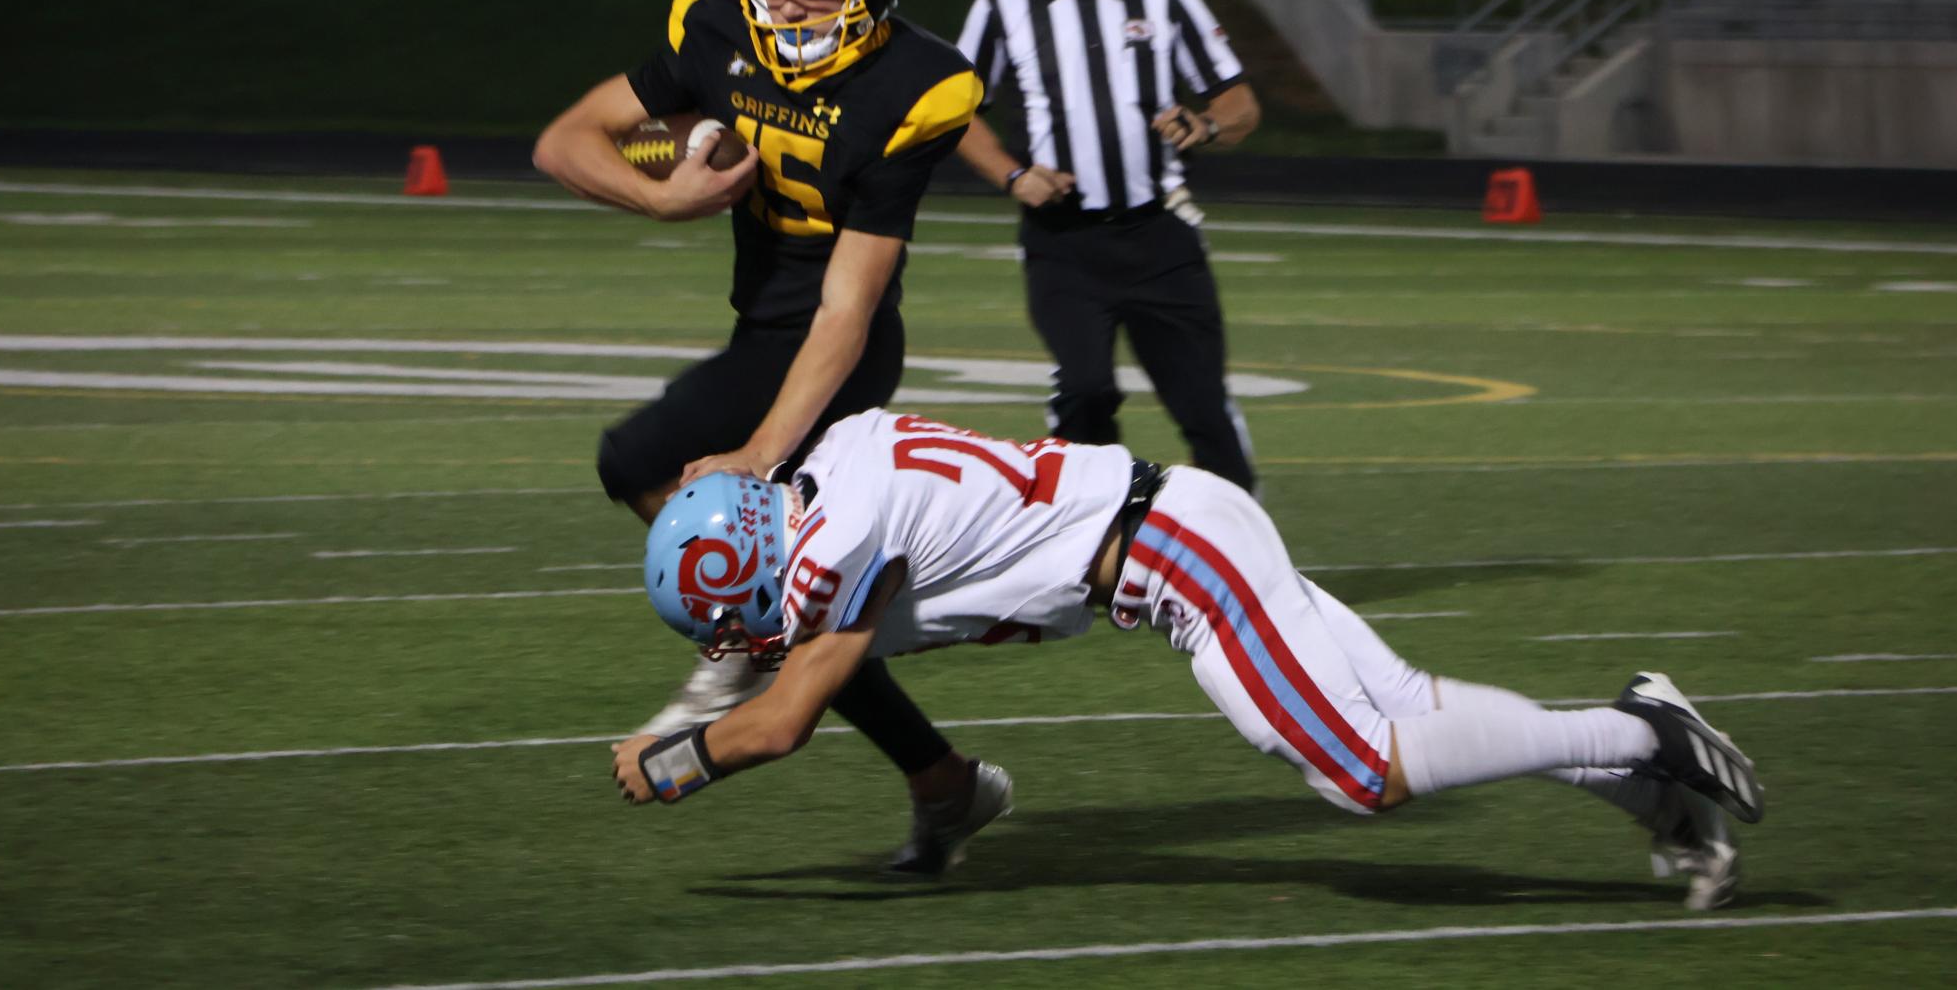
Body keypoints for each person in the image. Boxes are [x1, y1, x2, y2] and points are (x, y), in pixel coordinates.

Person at [613, 410, 1762, 909]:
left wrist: (667, 762)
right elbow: (829, 662)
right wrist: (943, 798)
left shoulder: (840, 547)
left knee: (1363, 769)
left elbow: (780, 720)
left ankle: (1644, 728)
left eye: (741, 613)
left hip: (1176, 557)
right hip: (1174, 528)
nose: (748, 637)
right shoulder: (836, 472)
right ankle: (1649, 790)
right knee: (1402, 704)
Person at [533, 0, 988, 873]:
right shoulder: (714, 21)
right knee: (792, 598)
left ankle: (748, 646)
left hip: (844, 350)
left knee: (638, 458)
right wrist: (660, 196)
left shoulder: (916, 84)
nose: (785, 4)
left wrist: (755, 452)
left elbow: (849, 304)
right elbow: (564, 140)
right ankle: (938, 778)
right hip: (763, 331)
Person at [953, 0, 1263, 493]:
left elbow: (1238, 101)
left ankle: (1242, 561)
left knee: (1202, 408)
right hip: (1064, 241)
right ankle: (1090, 555)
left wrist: (1202, 125)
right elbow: (951, 111)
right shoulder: (1003, 4)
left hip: (1159, 234)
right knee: (1087, 393)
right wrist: (1012, 176)